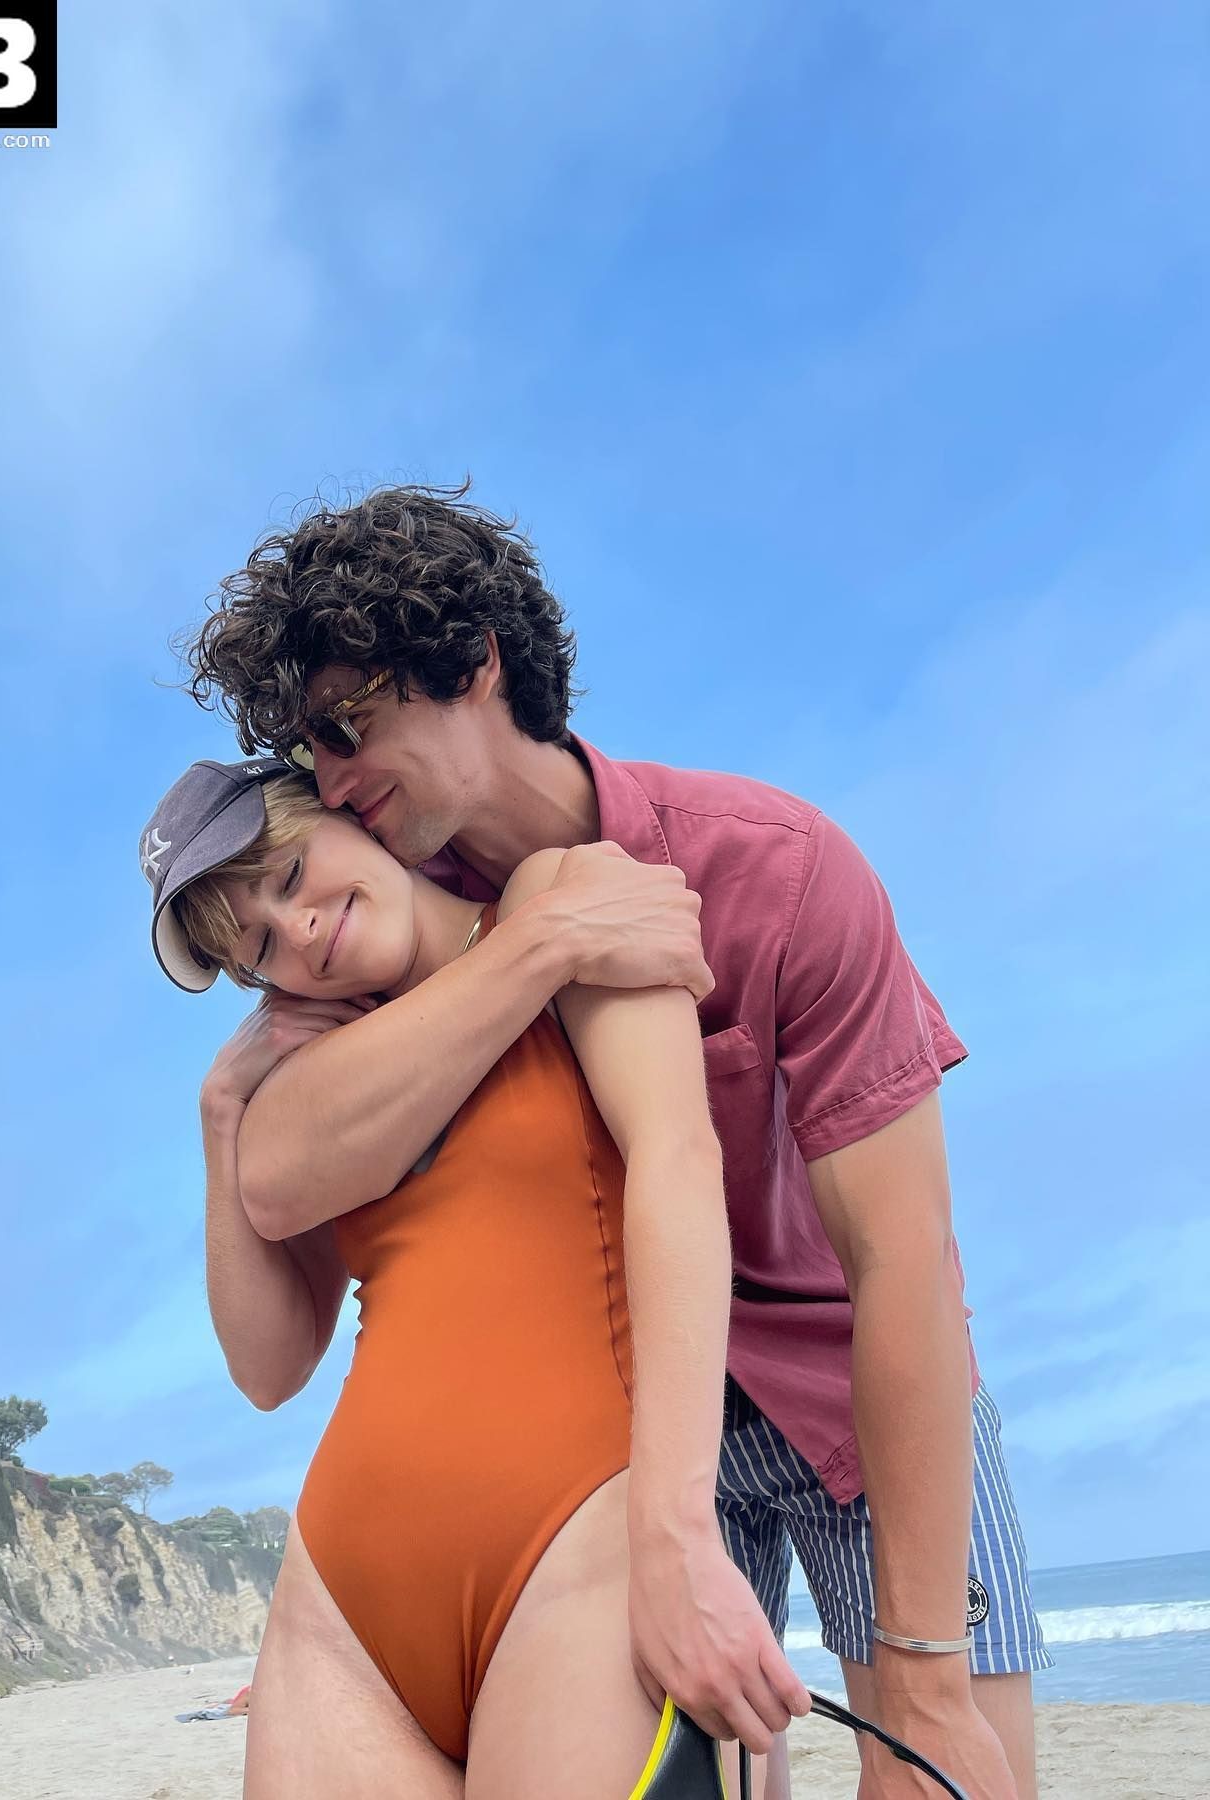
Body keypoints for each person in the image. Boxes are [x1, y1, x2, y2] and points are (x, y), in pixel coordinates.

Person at [180, 483, 1049, 1800]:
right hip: (625, 1433)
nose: (335, 781)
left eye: (350, 729)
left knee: (953, 1771)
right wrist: (534, 947)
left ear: (472, 663)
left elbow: (904, 1262)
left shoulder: (781, 873)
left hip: (855, 1383)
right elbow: (299, 1197)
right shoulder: (393, 941)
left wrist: (924, 1677)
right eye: (313, 754)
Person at [141, 756, 810, 1797]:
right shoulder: (314, 1079)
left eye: (290, 873)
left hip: (581, 1558)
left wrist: (683, 1535)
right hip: (345, 1623)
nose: (299, 930)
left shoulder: (557, 889)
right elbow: (268, 1368)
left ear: (346, 813)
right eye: (261, 946)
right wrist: (218, 1110)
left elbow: (680, 1164)